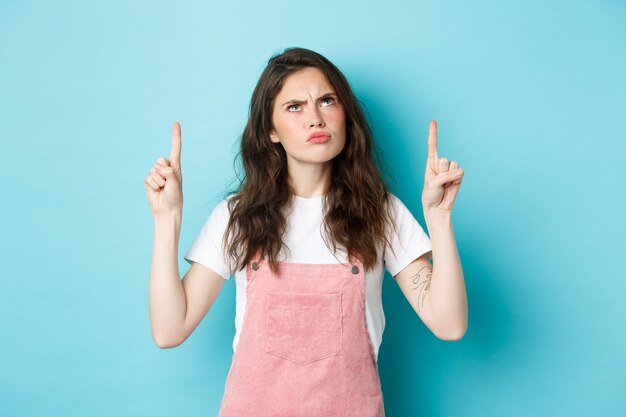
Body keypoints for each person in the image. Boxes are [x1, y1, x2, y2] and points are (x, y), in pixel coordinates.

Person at [145, 47, 467, 417]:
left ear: (346, 115)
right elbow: (169, 331)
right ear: (270, 131)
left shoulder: (381, 212)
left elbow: (450, 324)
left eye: (327, 101)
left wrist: (439, 218)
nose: (315, 118)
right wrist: (167, 220)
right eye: (294, 107)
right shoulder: (236, 217)